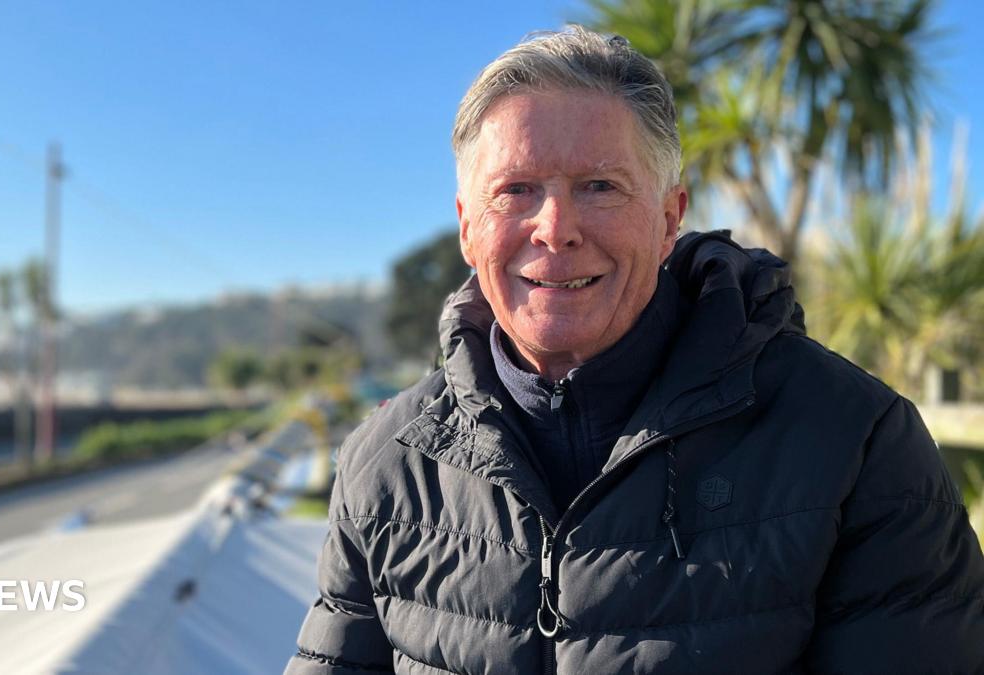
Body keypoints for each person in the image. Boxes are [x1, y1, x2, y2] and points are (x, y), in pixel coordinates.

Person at [286, 26, 984, 673]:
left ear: (669, 219)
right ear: (468, 228)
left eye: (600, 186)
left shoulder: (855, 443)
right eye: (517, 190)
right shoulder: (384, 467)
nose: (554, 228)